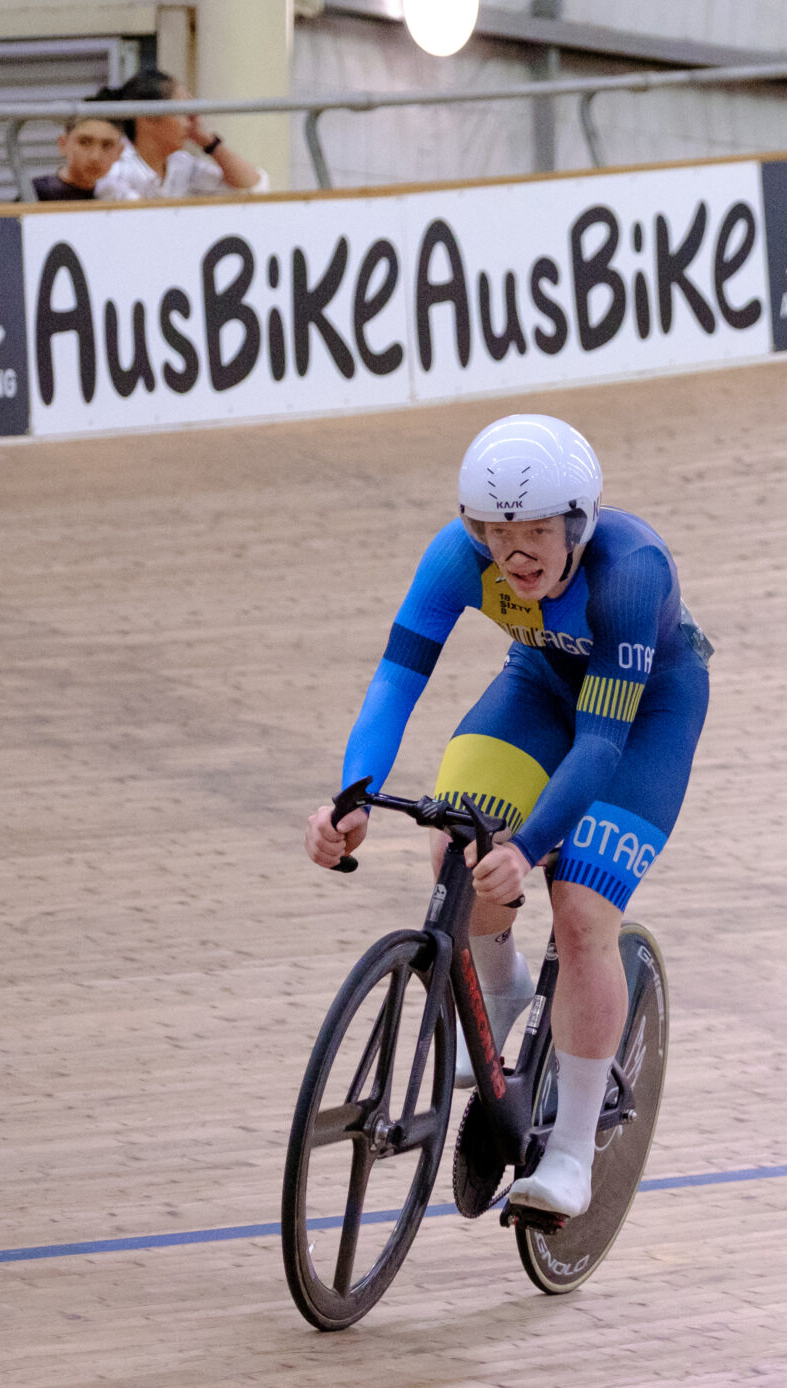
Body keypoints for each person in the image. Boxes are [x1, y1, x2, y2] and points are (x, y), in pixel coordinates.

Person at [305, 416, 711, 1219]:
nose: (514, 555)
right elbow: (397, 679)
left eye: (534, 535)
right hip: (539, 686)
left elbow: (600, 744)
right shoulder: (455, 556)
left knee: (581, 909)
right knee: (455, 845)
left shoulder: (631, 571)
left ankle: (572, 1153)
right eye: (495, 533)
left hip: (643, 718)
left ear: (578, 526)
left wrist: (528, 848)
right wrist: (351, 797)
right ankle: (502, 986)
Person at [93, 68, 267, 200]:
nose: (190, 121)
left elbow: (252, 187)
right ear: (149, 115)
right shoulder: (114, 167)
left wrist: (208, 141)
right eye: (182, 110)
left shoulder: (181, 163)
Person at [30, 97, 126, 202]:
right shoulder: (34, 194)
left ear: (119, 152)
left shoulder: (118, 197)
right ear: (63, 144)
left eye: (107, 145)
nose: (95, 157)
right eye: (84, 142)